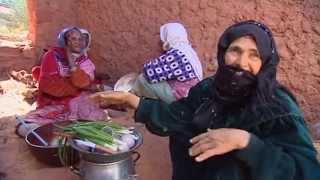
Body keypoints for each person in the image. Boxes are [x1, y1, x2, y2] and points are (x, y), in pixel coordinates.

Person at [90, 20, 320, 180]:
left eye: (254, 55)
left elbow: (306, 172)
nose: (241, 62)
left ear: (266, 62)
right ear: (223, 53)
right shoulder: (209, 88)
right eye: (235, 50)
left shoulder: (277, 105)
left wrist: (247, 143)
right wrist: (133, 101)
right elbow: (177, 116)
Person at [16, 27, 108, 136]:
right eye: (73, 39)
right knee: (28, 127)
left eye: (82, 39)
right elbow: (49, 86)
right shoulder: (52, 56)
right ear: (65, 42)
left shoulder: (85, 61)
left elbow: (83, 82)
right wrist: (77, 86)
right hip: (53, 102)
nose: (78, 43)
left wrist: (73, 67)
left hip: (77, 100)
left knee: (94, 119)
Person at [129, 22, 203, 103]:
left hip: (183, 100)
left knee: (142, 80)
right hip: (190, 96)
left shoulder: (178, 54)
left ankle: (128, 100)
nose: (161, 42)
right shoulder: (187, 51)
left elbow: (150, 73)